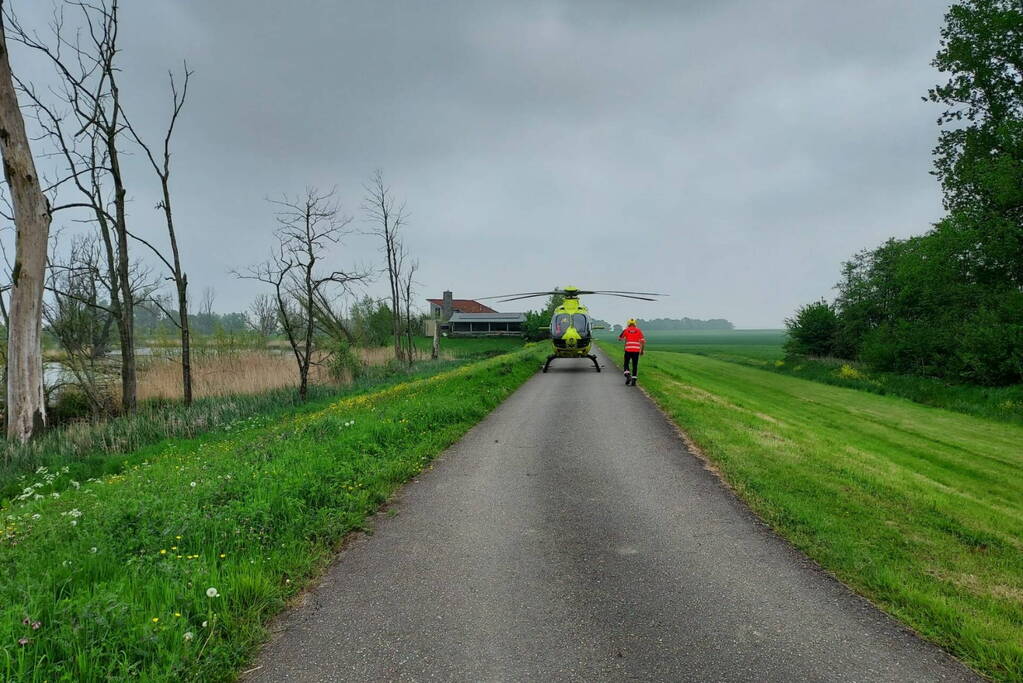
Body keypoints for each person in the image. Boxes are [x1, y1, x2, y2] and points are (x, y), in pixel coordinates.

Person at [618, 318, 645, 385]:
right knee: (635, 365)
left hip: (628, 350)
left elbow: (619, 338)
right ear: (635, 324)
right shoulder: (639, 331)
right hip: (636, 350)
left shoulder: (626, 330)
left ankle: (628, 376)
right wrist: (641, 351)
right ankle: (634, 381)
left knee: (626, 363)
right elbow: (643, 342)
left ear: (628, 323)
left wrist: (625, 338)